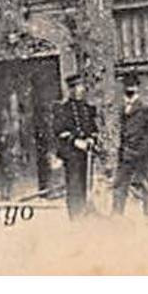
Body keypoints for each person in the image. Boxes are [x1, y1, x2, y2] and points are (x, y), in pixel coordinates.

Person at [52, 73, 99, 218]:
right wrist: (76, 141)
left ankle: (86, 212)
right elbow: (60, 132)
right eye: (76, 88)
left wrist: (91, 138)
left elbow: (93, 129)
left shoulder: (87, 109)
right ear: (70, 90)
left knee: (87, 183)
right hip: (71, 154)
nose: (79, 90)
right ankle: (75, 216)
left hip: (86, 153)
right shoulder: (62, 109)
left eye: (81, 87)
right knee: (74, 186)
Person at [112, 74, 148, 216]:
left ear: (137, 88)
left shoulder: (144, 108)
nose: (130, 89)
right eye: (127, 87)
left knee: (146, 185)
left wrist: (142, 150)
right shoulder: (123, 108)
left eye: (133, 86)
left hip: (141, 153)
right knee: (119, 185)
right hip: (125, 153)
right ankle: (117, 215)